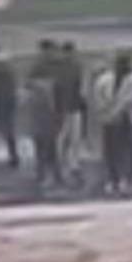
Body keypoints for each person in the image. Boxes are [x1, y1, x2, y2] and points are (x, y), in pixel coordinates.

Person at [92, 53, 132, 194]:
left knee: (123, 150)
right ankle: (111, 179)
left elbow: (129, 99)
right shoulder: (105, 79)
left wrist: (116, 112)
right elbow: (98, 96)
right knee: (109, 150)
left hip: (125, 119)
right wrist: (105, 110)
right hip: (108, 118)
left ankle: (123, 178)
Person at [54, 41, 87, 187]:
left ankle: (66, 163)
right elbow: (80, 89)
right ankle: (70, 164)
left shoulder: (63, 67)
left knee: (67, 137)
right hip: (70, 107)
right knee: (69, 137)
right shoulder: (75, 67)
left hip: (68, 107)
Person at [26, 74, 62, 189]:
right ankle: (54, 176)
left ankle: (44, 176)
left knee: (42, 153)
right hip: (47, 129)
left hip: (40, 129)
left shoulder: (33, 98)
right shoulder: (47, 98)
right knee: (50, 153)